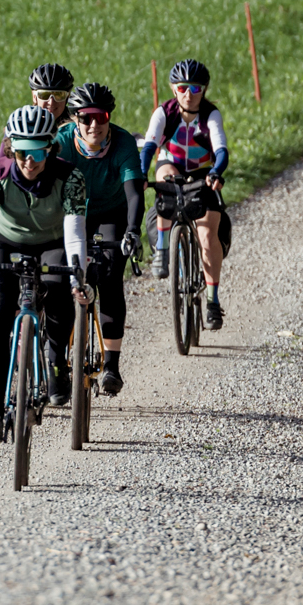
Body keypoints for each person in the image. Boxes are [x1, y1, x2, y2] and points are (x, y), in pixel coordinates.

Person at [0, 104, 89, 441]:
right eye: (21, 151)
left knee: (59, 289)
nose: (29, 160)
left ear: (50, 148)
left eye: (36, 151)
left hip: (52, 241)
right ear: (10, 147)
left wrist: (78, 276)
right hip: (6, 242)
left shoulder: (71, 178)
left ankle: (55, 358)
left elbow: (75, 234)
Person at [58, 82, 146, 394]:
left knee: (109, 276)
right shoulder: (63, 142)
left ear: (109, 116)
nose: (94, 124)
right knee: (63, 276)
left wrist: (133, 231)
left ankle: (112, 365)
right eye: (85, 118)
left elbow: (134, 193)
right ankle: (56, 357)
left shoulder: (122, 143)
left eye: (101, 116)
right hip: (73, 214)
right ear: (74, 119)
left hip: (112, 212)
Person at [138, 59, 233, 329]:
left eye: (195, 88)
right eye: (182, 88)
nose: (188, 94)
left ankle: (213, 301)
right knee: (165, 180)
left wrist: (216, 171)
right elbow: (149, 145)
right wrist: (142, 173)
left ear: (204, 90)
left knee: (206, 234)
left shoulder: (211, 115)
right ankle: (162, 250)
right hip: (172, 163)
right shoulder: (164, 112)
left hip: (204, 171)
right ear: (173, 89)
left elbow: (221, 148)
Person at [0, 64, 77, 172]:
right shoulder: (19, 125)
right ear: (34, 96)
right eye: (44, 95)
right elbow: (2, 167)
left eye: (59, 95)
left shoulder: (78, 126)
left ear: (68, 96)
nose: (51, 102)